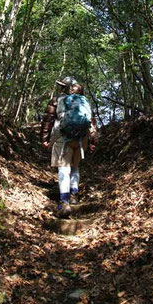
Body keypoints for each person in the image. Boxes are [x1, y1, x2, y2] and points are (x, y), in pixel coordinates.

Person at [40, 76, 98, 218]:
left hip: (62, 137)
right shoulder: (84, 102)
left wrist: (45, 139)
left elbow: (48, 119)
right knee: (75, 167)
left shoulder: (58, 100)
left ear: (66, 87)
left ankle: (64, 202)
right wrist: (93, 142)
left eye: (62, 85)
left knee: (64, 168)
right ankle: (74, 195)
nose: (61, 88)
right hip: (81, 139)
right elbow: (92, 123)